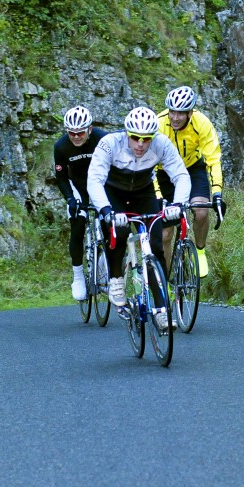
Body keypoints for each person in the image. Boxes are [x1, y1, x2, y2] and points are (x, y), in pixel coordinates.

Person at [87, 106, 190, 330]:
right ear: (126, 133)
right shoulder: (109, 143)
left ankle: (162, 309)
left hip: (143, 193)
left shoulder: (162, 144)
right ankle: (116, 278)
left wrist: (178, 204)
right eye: (135, 138)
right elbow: (94, 179)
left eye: (146, 139)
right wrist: (106, 210)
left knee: (156, 246)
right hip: (113, 192)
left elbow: (181, 175)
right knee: (120, 231)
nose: (141, 144)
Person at [155, 85, 226, 277]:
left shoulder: (201, 123)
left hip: (192, 168)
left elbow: (213, 159)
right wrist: (158, 196)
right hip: (164, 173)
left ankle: (200, 251)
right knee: (166, 234)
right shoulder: (159, 124)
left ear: (190, 112)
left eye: (180, 113)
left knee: (201, 211)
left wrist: (217, 192)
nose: (175, 117)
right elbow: (149, 166)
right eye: (172, 112)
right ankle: (166, 281)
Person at [53, 105, 108, 300]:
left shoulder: (102, 139)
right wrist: (70, 199)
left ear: (89, 129)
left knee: (109, 222)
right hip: (78, 187)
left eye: (80, 133)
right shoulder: (61, 147)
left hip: (101, 183)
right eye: (71, 133)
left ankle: (104, 264)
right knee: (77, 222)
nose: (76, 137)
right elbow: (61, 177)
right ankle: (77, 277)